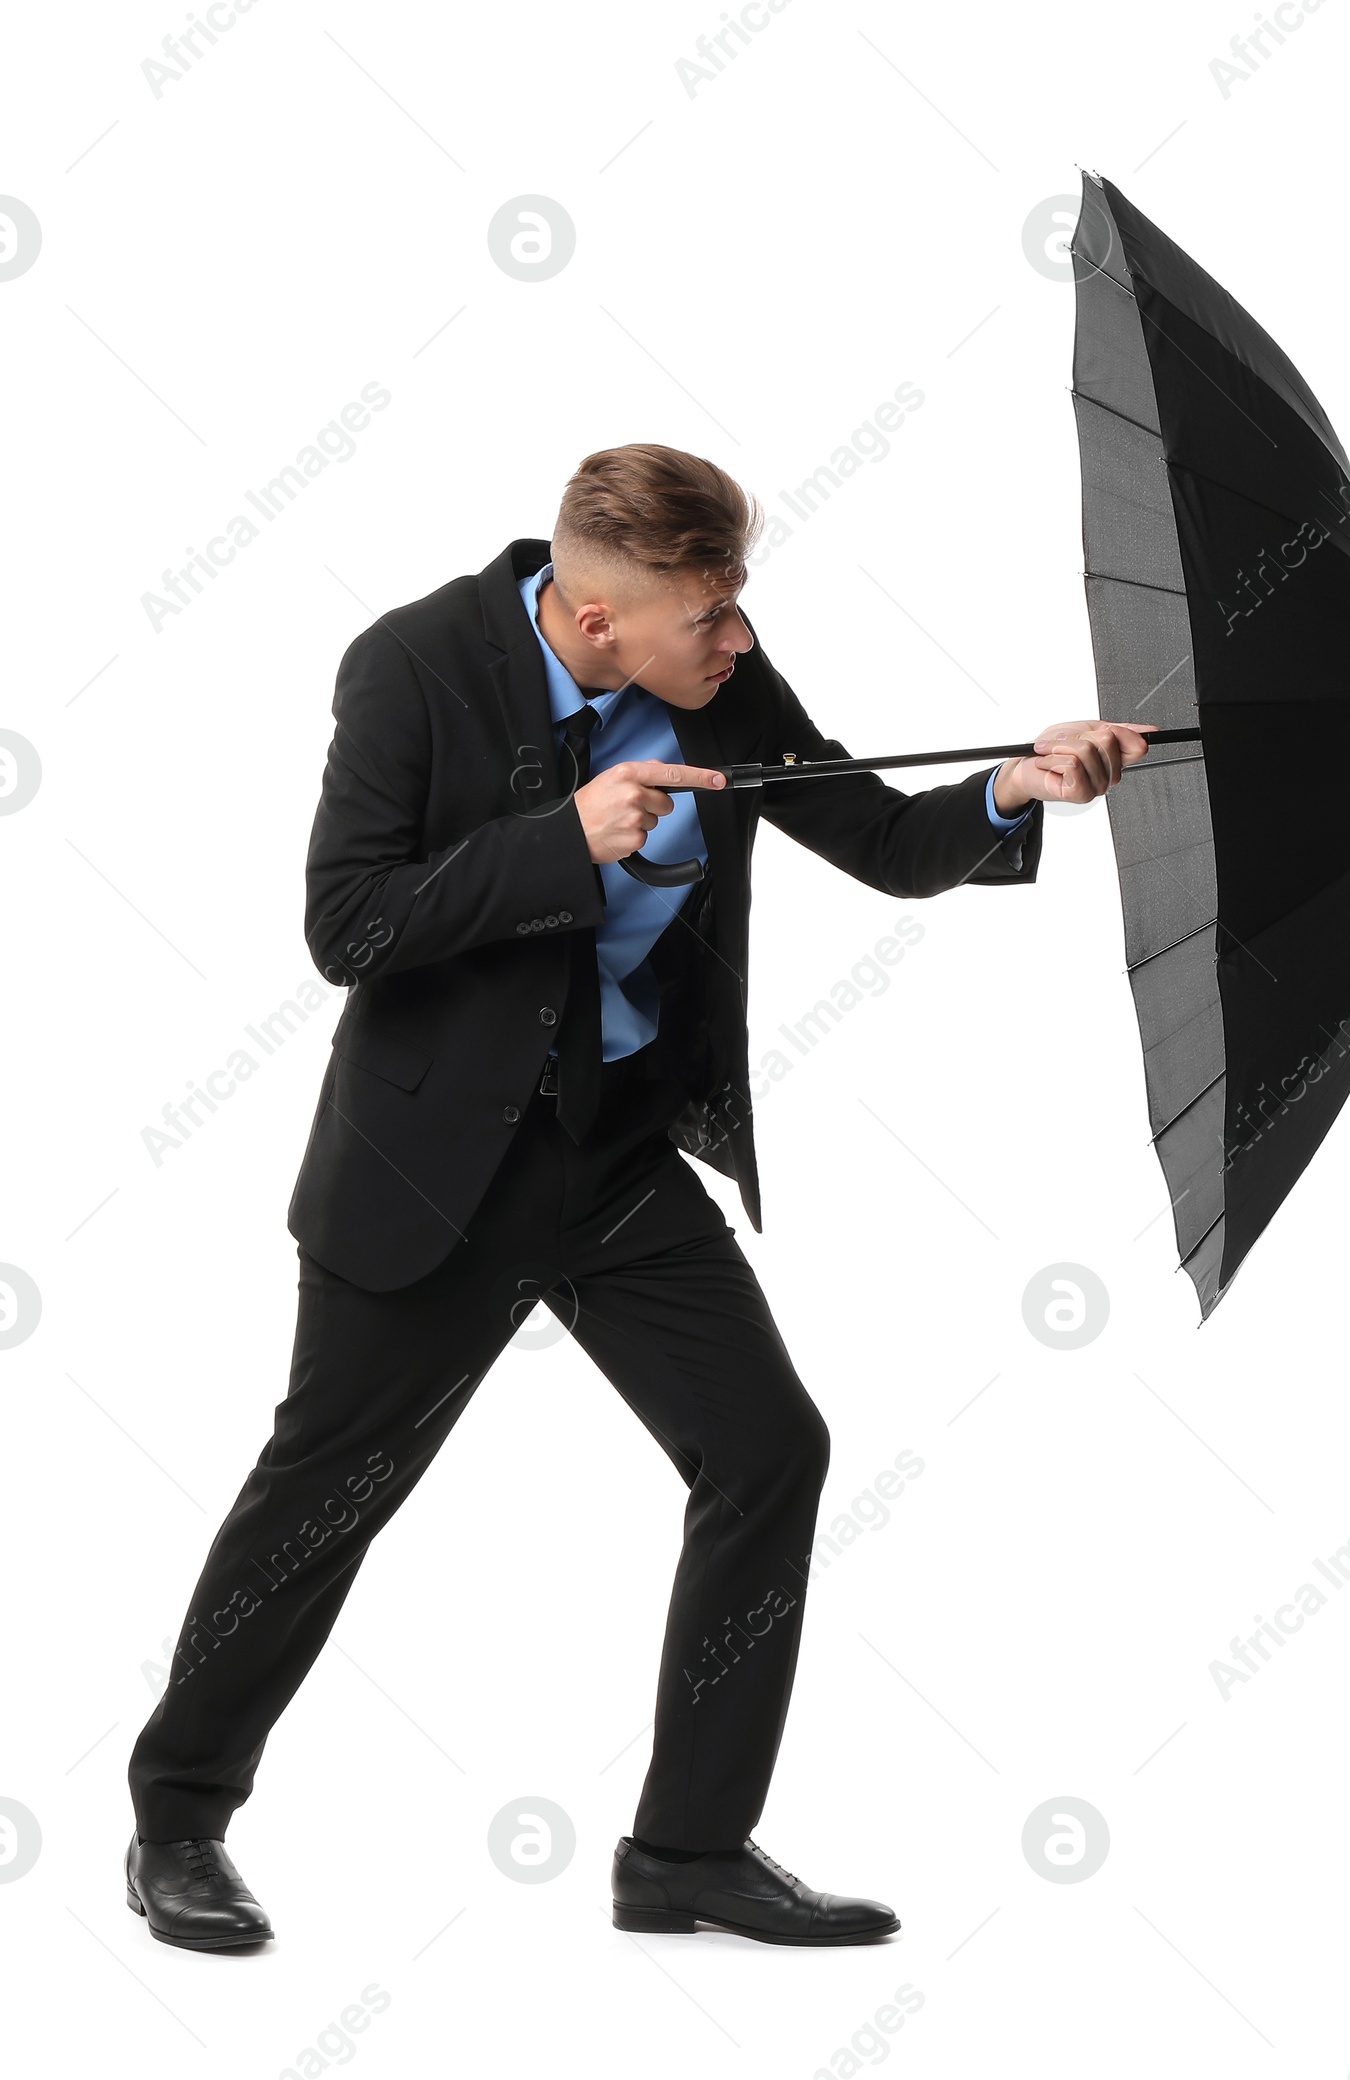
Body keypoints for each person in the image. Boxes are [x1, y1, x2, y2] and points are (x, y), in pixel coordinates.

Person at [124, 442, 1150, 1950]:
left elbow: (869, 832)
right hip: (432, 1169)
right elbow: (347, 926)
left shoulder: (717, 670)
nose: (735, 642)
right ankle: (178, 1825)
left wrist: (1015, 785)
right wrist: (561, 842)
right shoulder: (412, 667)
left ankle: (687, 1851)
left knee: (769, 1452)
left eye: (736, 611)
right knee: (328, 1496)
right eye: (710, 617)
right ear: (601, 622)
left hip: (611, 1158)